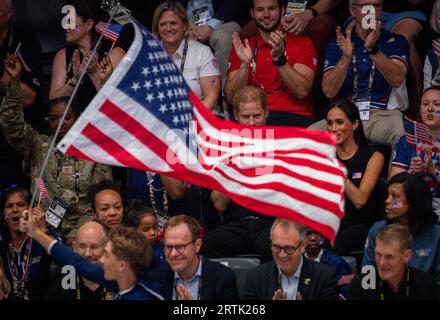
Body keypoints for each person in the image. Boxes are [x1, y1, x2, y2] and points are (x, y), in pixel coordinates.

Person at [0, 55, 113, 241]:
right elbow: (11, 124)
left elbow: (100, 198)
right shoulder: (38, 144)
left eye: (67, 117)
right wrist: (14, 82)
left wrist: (78, 237)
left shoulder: (93, 150)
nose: (60, 123)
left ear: (78, 119)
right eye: (54, 118)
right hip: (42, 229)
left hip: (83, 233)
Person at [313, 0, 409, 147]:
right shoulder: (338, 43)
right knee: (310, 135)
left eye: (376, 6)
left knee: (403, 134)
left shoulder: (395, 40)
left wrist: (373, 50)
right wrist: (345, 57)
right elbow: (329, 91)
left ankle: (398, 171)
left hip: (383, 115)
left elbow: (397, 79)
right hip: (344, 116)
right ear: (352, 10)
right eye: (365, 6)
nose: (371, 11)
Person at [202, 86, 273, 261]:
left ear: (266, 113)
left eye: (256, 116)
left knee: (283, 246)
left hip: (271, 224)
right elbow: (219, 204)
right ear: (235, 115)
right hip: (237, 225)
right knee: (206, 245)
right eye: (245, 117)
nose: (251, 123)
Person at [20, 214, 165, 300]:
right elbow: (76, 261)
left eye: (106, 255)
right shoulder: (117, 280)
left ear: (122, 265)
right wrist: (37, 233)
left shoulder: (147, 296)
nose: (101, 259)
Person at [225, 0, 318, 127]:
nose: (266, 14)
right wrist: (244, 65)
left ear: (283, 10)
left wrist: (280, 60)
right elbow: (231, 98)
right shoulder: (243, 47)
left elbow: (302, 91)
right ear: (252, 13)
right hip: (253, 120)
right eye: (260, 10)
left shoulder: (303, 44)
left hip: (293, 117)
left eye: (272, 8)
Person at [326, 100, 384, 255]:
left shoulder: (374, 156)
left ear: (354, 124)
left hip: (362, 224)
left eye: (339, 122)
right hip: (332, 222)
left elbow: (360, 200)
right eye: (330, 123)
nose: (333, 128)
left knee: (332, 241)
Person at [362, 173, 440, 288]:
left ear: (413, 201)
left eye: (395, 197)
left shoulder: (436, 234)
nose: (387, 201)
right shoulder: (377, 230)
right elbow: (367, 279)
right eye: (388, 195)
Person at [49, 0, 124, 112]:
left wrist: (93, 73)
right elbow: (54, 102)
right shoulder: (63, 55)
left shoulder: (114, 52)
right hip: (76, 124)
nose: (66, 27)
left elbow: (119, 103)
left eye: (70, 22)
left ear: (88, 25)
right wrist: (74, 80)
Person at [147, 215, 239, 300]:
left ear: (197, 245)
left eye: (180, 247)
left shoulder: (222, 278)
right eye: (169, 247)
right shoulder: (154, 278)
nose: (173, 254)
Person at [244, 219, 338, 300]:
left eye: (289, 248)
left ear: (303, 246)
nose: (282, 255)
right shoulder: (255, 278)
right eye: (276, 247)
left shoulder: (325, 277)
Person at [152, 1, 221, 110]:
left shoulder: (202, 52)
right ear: (157, 28)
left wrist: (191, 122)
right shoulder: (147, 53)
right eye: (163, 24)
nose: (168, 28)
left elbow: (211, 97)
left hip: (195, 120)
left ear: (185, 25)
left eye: (173, 23)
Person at [350, 224, 437, 300]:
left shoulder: (425, 285)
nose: (382, 263)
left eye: (389, 256)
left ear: (407, 256)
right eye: (378, 254)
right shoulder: (360, 284)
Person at [390, 86, 440, 216]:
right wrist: (412, 172)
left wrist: (432, 170)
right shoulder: (406, 140)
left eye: (437, 104)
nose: (430, 108)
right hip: (412, 204)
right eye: (425, 104)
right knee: (382, 222)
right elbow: (394, 185)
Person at [0, 186, 53, 299]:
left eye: (20, 205)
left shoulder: (42, 238)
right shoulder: (2, 245)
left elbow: (65, 259)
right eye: (9, 206)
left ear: (31, 210)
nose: (15, 209)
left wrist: (44, 231)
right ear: (4, 214)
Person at [46, 221, 115, 300]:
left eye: (94, 247)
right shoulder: (61, 287)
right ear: (75, 248)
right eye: (82, 246)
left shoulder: (120, 283)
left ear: (107, 248)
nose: (88, 254)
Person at [304, 229, 352, 298]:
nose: (313, 238)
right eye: (308, 234)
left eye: (317, 233)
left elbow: (345, 294)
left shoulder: (337, 262)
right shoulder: (296, 262)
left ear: (322, 237)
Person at [125, 200, 166, 270]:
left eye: (155, 227)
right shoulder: (130, 254)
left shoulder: (164, 248)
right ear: (132, 230)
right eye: (146, 230)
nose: (152, 232)